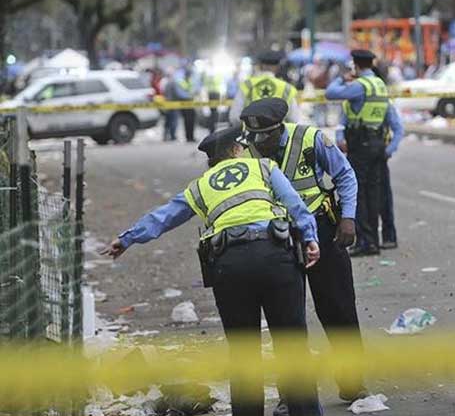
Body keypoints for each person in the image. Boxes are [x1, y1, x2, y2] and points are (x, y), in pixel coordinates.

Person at [100, 127, 323, 416]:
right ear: (235, 151)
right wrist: (310, 238)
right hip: (274, 257)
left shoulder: (201, 185)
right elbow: (295, 204)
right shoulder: (264, 167)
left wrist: (127, 238)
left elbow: (165, 216)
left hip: (229, 266)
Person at [239, 98, 368, 415]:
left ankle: (352, 381)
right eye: (254, 137)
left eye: (265, 136)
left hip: (322, 229)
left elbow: (345, 175)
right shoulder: (247, 151)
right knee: (286, 321)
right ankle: (292, 395)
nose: (259, 143)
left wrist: (348, 217)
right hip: (276, 238)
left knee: (338, 308)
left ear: (278, 128)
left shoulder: (311, 139)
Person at [325, 49, 404, 257]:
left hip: (361, 145)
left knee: (358, 193)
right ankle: (374, 241)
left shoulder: (360, 86)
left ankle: (365, 241)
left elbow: (330, 93)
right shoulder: (379, 85)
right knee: (374, 194)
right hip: (377, 144)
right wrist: (388, 150)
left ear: (356, 65)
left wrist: (342, 78)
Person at [229, 51, 301, 125]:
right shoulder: (286, 88)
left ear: (260, 65)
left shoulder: (247, 85)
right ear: (277, 67)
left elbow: (234, 117)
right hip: (278, 135)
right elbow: (294, 119)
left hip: (250, 134)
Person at [175, 67, 196, 142]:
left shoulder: (185, 81)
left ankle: (190, 136)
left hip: (188, 101)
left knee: (190, 120)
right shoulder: (183, 82)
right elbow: (188, 89)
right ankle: (189, 137)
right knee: (188, 120)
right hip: (186, 101)